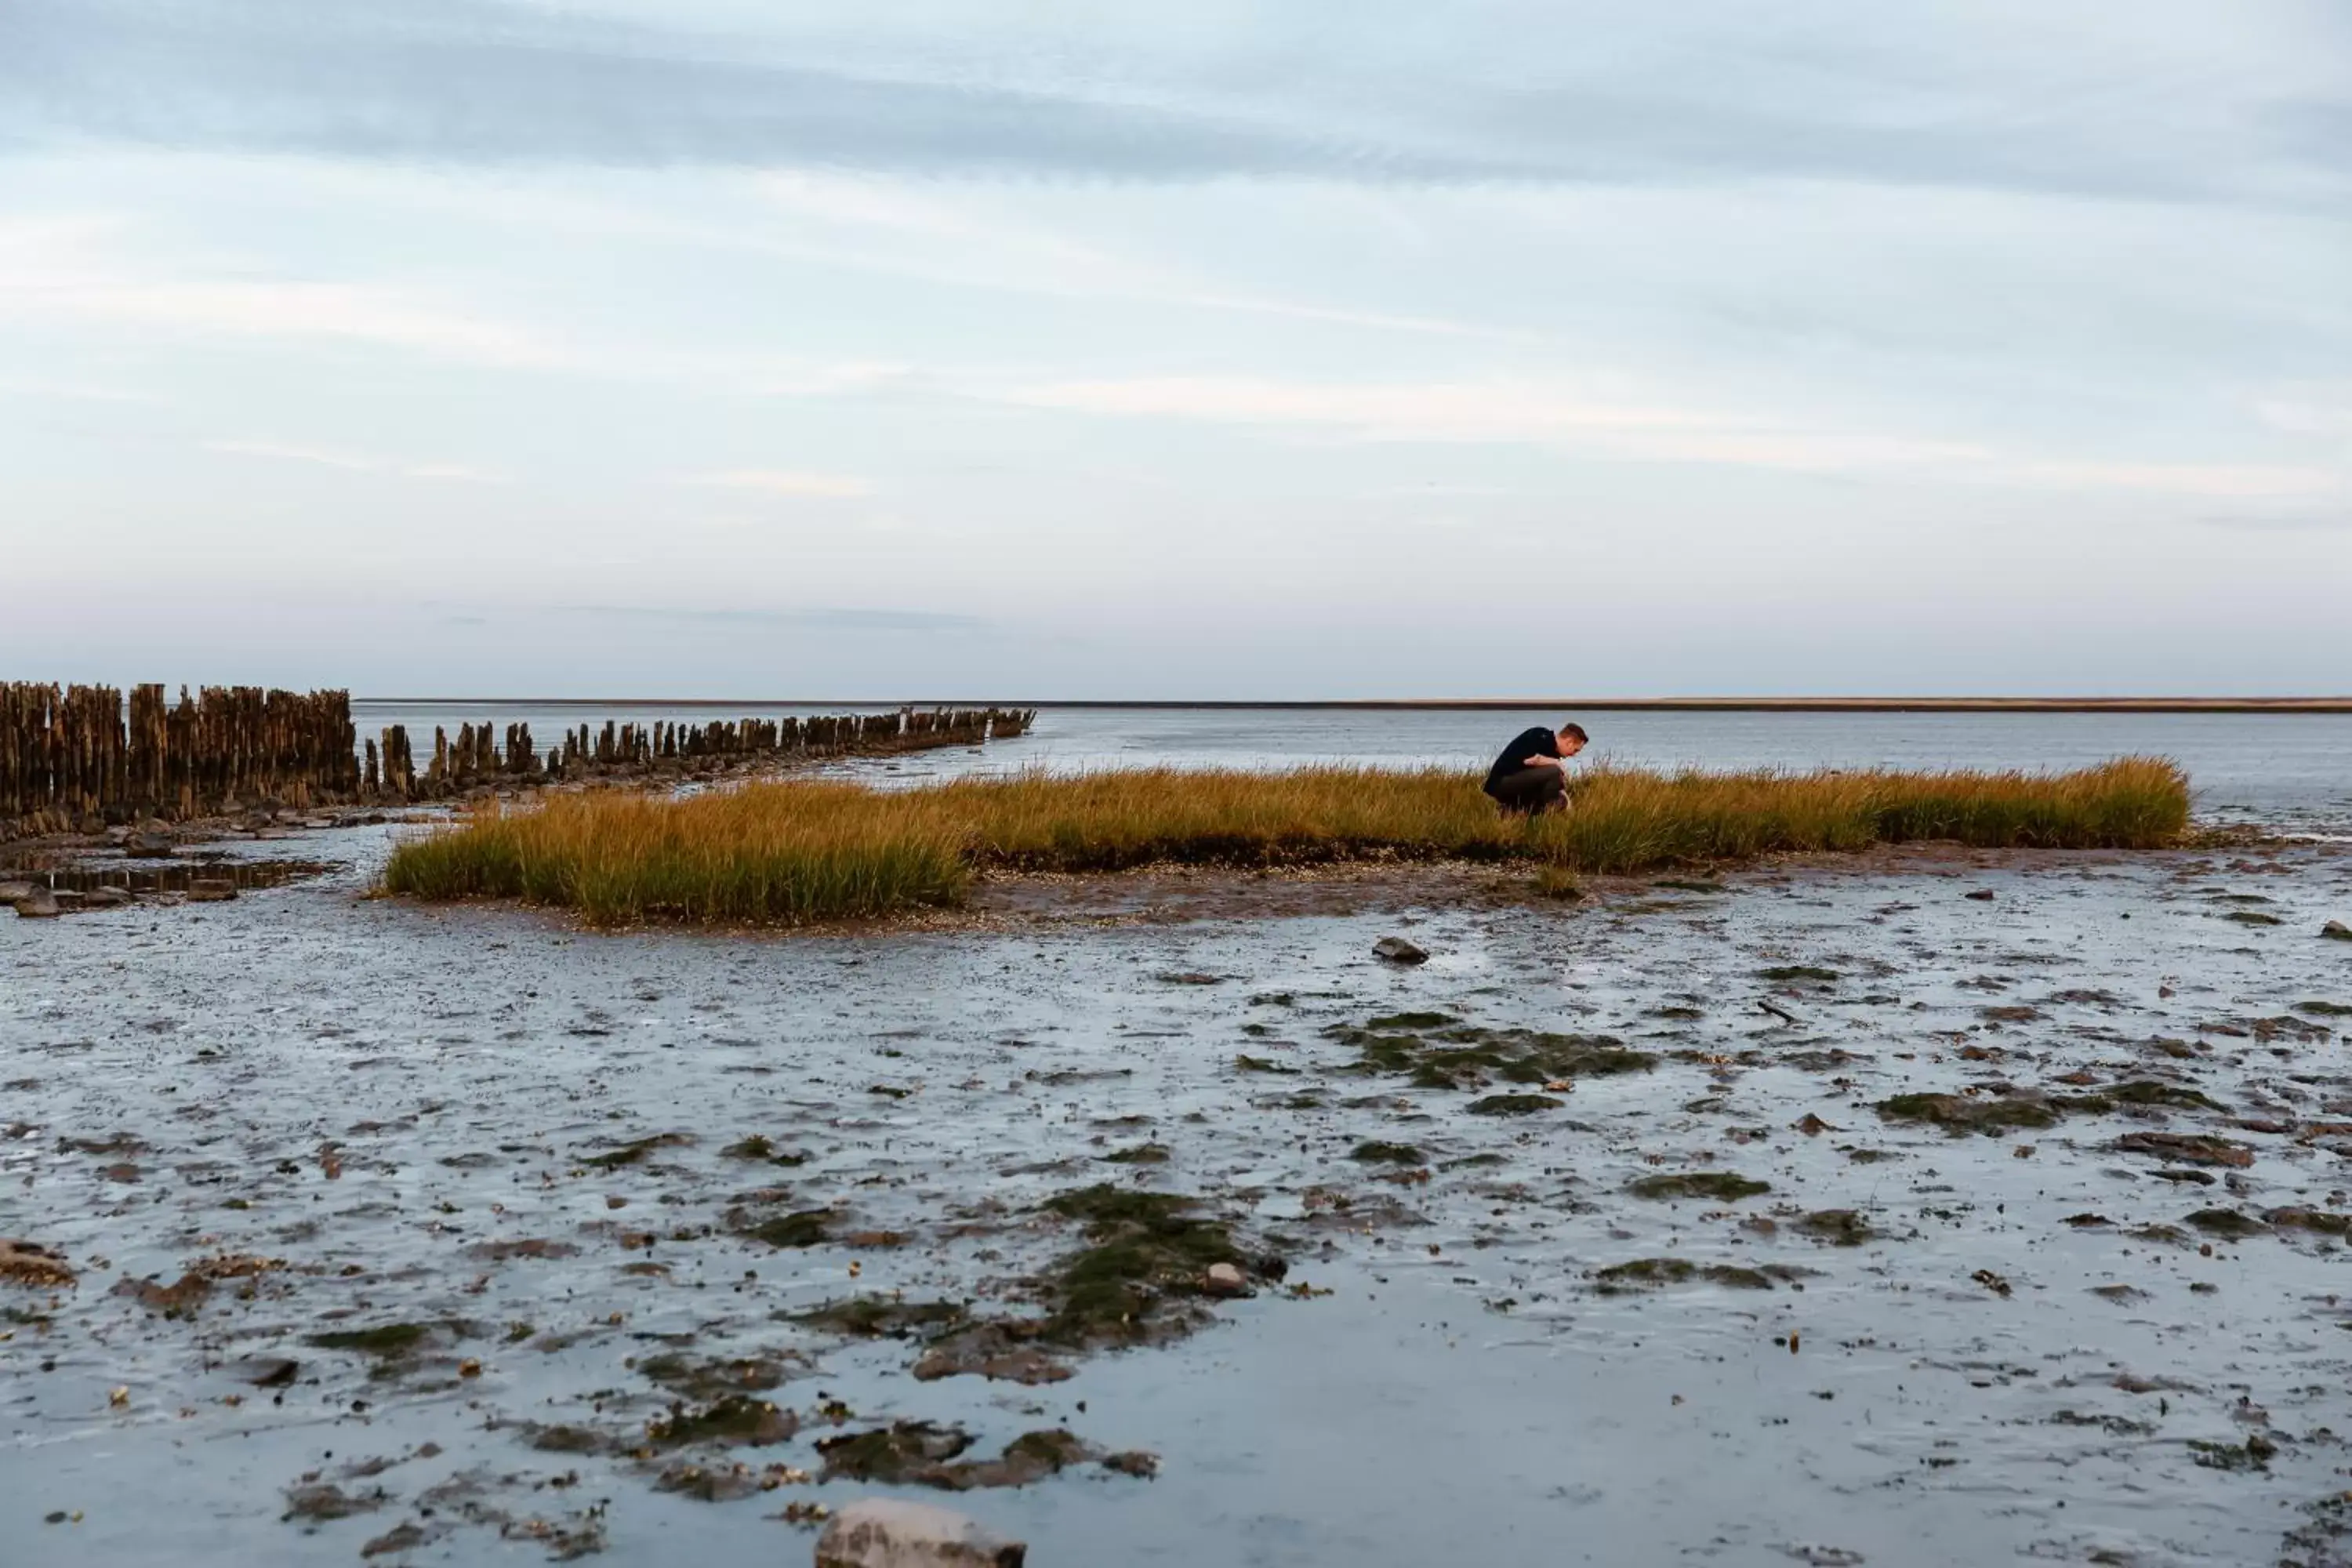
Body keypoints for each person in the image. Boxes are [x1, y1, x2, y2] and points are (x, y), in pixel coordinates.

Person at [1483, 720, 1588, 815]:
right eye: (1575, 750)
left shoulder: (1553, 753)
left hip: (1519, 783)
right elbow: (1528, 760)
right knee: (1554, 771)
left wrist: (1568, 804)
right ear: (1569, 742)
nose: (1574, 755)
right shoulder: (1540, 736)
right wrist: (1555, 763)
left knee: (1560, 798)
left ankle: (1512, 810)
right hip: (1502, 782)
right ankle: (1549, 811)